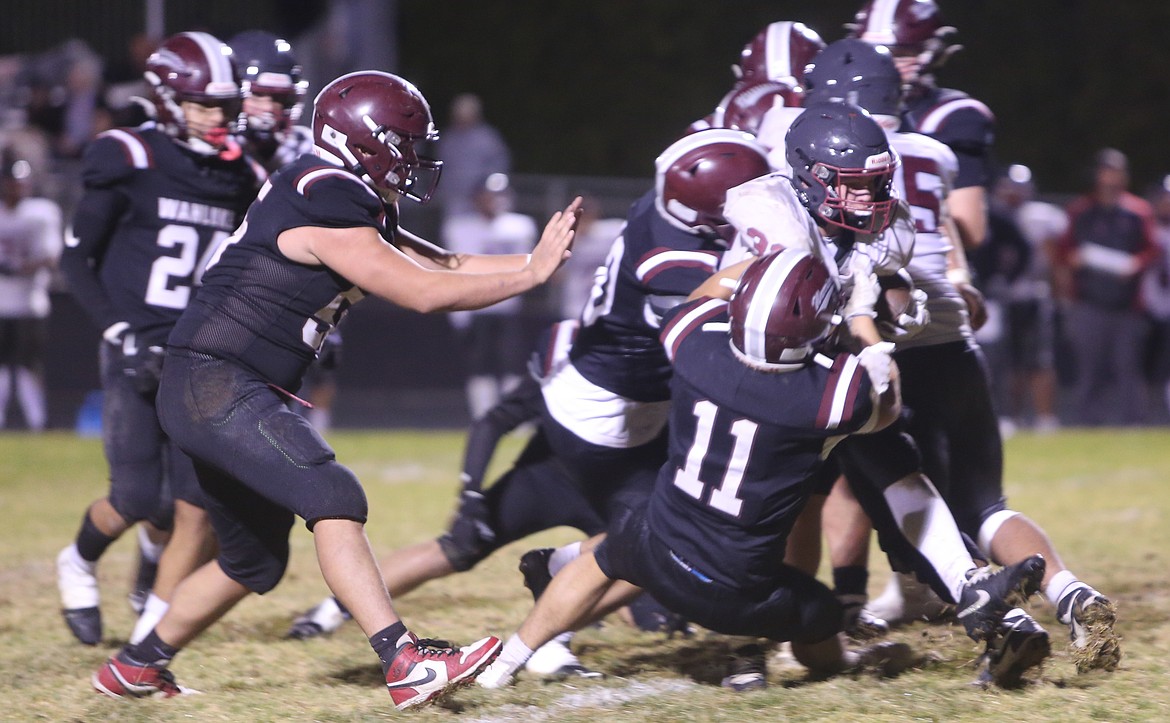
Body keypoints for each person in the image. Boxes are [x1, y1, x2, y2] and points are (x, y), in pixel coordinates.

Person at [89, 69, 580, 709]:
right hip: (220, 377)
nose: (411, 161)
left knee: (254, 563)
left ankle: (137, 666)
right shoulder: (324, 192)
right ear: (365, 141)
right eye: (404, 145)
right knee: (332, 493)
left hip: (210, 380)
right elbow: (422, 293)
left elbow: (437, 264)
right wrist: (529, 275)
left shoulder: (332, 190)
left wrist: (533, 264)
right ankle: (404, 661)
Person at [285, 128, 772, 681]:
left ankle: (555, 608)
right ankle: (550, 631)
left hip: (589, 438)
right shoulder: (670, 262)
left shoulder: (654, 216)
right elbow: (721, 311)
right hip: (605, 442)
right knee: (658, 540)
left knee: (617, 551)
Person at [475, 248, 1044, 690]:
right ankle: (840, 663)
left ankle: (511, 658)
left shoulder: (695, 347)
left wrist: (761, 259)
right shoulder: (824, 397)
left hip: (658, 550)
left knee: (608, 552)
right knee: (820, 614)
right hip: (738, 593)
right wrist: (865, 324)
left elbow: (705, 293)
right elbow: (888, 404)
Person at [798, 41, 1120, 678]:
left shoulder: (817, 150)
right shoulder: (932, 153)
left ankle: (998, 621)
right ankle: (1071, 594)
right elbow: (950, 247)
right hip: (954, 340)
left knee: (896, 495)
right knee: (984, 504)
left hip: (879, 345)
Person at [56, 31, 262, 647]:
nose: (216, 119)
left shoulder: (240, 176)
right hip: (133, 342)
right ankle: (79, 559)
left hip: (197, 351)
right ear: (169, 100)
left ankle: (149, 636)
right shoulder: (129, 156)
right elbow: (75, 262)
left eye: (224, 108)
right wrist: (119, 331)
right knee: (137, 494)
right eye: (203, 105)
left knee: (190, 505)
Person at [850, 0, 993, 252]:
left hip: (925, 266)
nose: (882, 66)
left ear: (930, 52)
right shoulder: (837, 110)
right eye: (872, 52)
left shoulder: (950, 117)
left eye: (899, 54)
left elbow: (970, 231)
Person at [1052, 148, 1158, 427]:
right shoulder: (1080, 211)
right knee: (1089, 369)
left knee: (1128, 368)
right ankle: (1088, 423)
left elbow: (1151, 250)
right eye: (1106, 171)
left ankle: (1132, 423)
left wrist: (1136, 264)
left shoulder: (1138, 211)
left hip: (1127, 304)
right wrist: (1071, 265)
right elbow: (1063, 252)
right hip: (1089, 301)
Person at [443, 172, 539, 419]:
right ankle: (485, 417)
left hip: (508, 306)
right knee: (479, 366)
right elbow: (454, 271)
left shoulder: (520, 226)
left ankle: (514, 415)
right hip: (475, 306)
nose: (494, 200)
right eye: (489, 195)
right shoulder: (460, 227)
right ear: (477, 198)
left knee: (514, 364)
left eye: (499, 194)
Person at [984, 165, 1067, 433]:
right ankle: (1011, 416)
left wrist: (1059, 294)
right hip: (1003, 298)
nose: (1014, 194)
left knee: (1040, 360)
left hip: (1035, 294)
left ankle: (1045, 417)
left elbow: (1054, 260)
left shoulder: (1042, 217)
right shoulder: (991, 215)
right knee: (1007, 361)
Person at [0, 148, 62, 431]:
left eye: (21, 182)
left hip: (29, 303)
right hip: (3, 303)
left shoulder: (41, 214)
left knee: (29, 367)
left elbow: (51, 257)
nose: (17, 188)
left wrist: (19, 268)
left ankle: (37, 423)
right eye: (12, 182)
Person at [436, 93, 511, 223]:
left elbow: (499, 166)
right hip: (456, 201)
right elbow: (443, 169)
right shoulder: (449, 139)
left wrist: (486, 190)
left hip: (485, 201)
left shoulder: (487, 138)